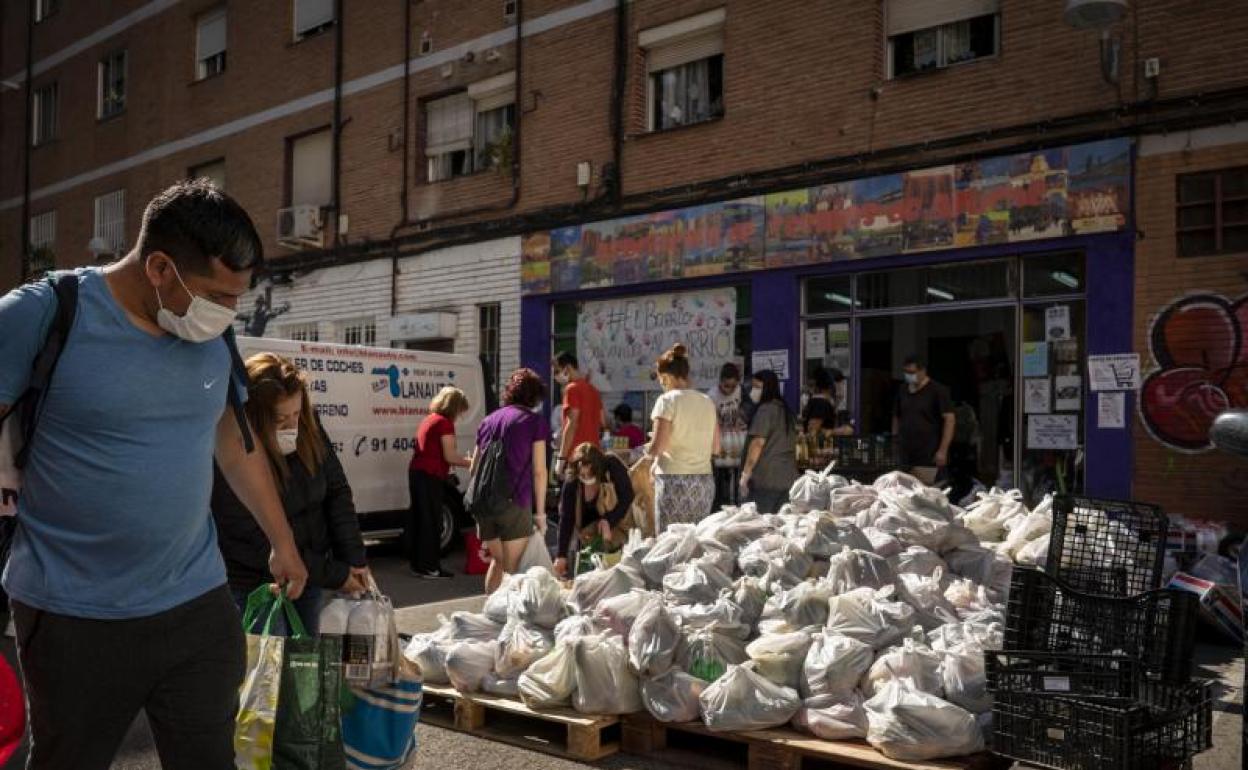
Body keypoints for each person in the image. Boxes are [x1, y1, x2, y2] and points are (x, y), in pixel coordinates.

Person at [0, 180, 307, 770]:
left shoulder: (210, 332)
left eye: (237, 300)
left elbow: (233, 442)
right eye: (218, 295)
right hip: (72, 615)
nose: (228, 313)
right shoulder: (46, 311)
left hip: (194, 604)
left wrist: (283, 542)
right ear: (160, 267)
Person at [212, 353, 369, 634]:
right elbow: (250, 536)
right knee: (267, 670)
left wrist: (353, 559)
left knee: (301, 667)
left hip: (309, 578)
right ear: (255, 419)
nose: (291, 426)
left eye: (296, 414)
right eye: (280, 419)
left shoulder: (308, 426)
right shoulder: (233, 448)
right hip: (255, 584)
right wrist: (334, 574)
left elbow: (337, 491)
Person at [471, 368, 550, 593]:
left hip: (483, 503)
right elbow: (539, 471)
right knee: (512, 570)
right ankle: (504, 624)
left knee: (498, 562)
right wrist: (541, 514)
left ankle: (489, 618)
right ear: (535, 396)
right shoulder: (534, 422)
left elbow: (474, 467)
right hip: (513, 502)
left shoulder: (488, 421)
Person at [644, 344, 721, 529]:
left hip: (674, 482)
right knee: (696, 544)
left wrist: (648, 450)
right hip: (703, 483)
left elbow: (658, 447)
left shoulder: (667, 401)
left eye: (661, 380)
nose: (662, 385)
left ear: (668, 377)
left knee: (669, 544)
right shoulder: (707, 401)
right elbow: (716, 448)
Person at [406, 386, 472, 579]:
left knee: (420, 519)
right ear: (454, 407)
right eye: (460, 411)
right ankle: (430, 567)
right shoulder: (444, 423)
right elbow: (450, 456)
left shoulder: (429, 419)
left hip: (417, 472)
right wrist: (472, 462)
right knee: (432, 521)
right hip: (430, 474)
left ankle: (418, 565)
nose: (460, 416)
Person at [554, 443, 635, 577]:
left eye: (590, 474)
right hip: (588, 538)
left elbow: (627, 496)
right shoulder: (572, 481)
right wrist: (561, 555)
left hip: (618, 532)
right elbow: (566, 518)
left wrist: (609, 520)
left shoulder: (611, 465)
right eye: (583, 475)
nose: (586, 478)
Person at [739, 370, 799, 514]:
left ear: (767, 388)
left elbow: (757, 443)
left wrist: (745, 474)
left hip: (766, 479)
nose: (753, 391)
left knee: (761, 525)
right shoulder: (785, 411)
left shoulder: (765, 410)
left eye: (757, 387)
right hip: (788, 478)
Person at [892, 354, 956, 485]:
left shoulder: (937, 391)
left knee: (927, 490)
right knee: (904, 489)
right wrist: (894, 440)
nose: (908, 375)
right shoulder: (903, 390)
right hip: (905, 452)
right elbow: (896, 416)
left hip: (928, 452)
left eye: (912, 372)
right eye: (906, 372)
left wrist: (943, 450)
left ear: (922, 371)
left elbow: (949, 420)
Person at [553, 351, 605, 480]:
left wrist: (561, 459)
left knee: (569, 498)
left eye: (557, 371)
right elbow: (603, 423)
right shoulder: (593, 390)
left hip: (576, 458)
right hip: (593, 456)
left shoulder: (571, 389)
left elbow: (572, 424)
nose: (555, 376)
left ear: (568, 368)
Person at [804, 367, 853, 436]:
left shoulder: (830, 403)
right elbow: (812, 431)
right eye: (840, 384)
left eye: (843, 384)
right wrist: (833, 432)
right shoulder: (820, 403)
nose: (842, 388)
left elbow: (849, 430)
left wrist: (832, 431)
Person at [707, 362, 751, 432]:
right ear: (720, 381)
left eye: (733, 387)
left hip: (736, 429)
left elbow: (739, 410)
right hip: (721, 431)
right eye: (726, 386)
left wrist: (737, 422)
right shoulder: (712, 395)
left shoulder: (739, 390)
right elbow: (713, 419)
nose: (729, 390)